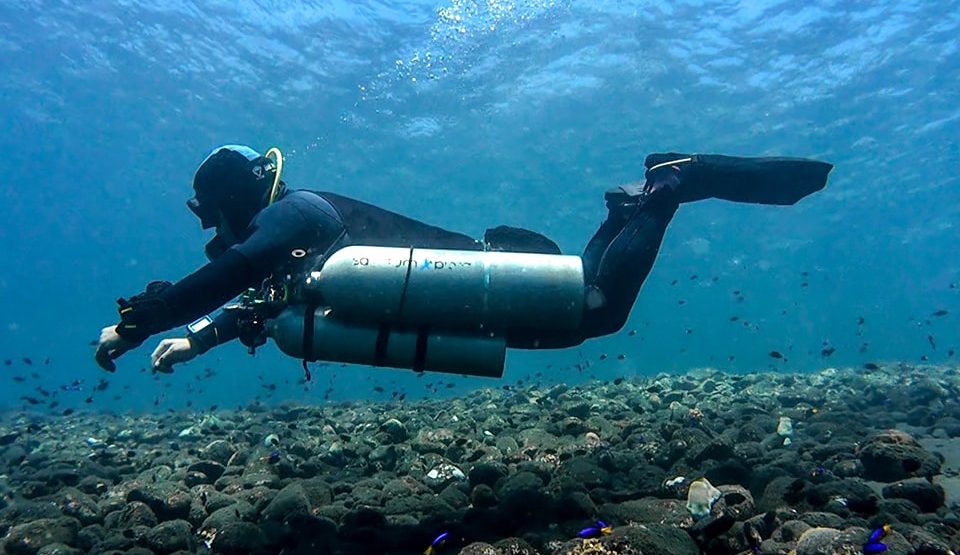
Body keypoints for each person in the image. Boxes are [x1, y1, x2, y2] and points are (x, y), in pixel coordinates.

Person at [95, 145, 832, 373]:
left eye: (210, 214)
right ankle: (629, 209)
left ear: (225, 204)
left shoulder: (296, 213)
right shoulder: (288, 233)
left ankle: (673, 183)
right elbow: (261, 296)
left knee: (596, 312)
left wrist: (145, 319)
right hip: (461, 296)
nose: (212, 230)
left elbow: (233, 274)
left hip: (474, 280)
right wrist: (195, 338)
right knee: (587, 306)